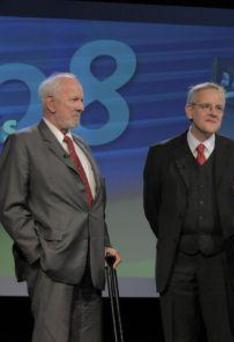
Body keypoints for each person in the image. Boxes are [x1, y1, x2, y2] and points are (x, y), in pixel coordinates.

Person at [0, 72, 122, 342]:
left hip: (90, 266)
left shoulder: (81, 145)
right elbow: (10, 205)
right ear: (51, 103)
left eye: (82, 100)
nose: (82, 106)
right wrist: (40, 253)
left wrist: (104, 245)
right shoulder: (24, 142)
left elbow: (92, 205)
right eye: (75, 99)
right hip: (52, 265)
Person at [143, 82, 234, 342]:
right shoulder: (161, 154)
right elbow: (153, 208)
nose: (214, 113)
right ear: (189, 111)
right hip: (177, 262)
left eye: (219, 108)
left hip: (222, 262)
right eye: (206, 106)